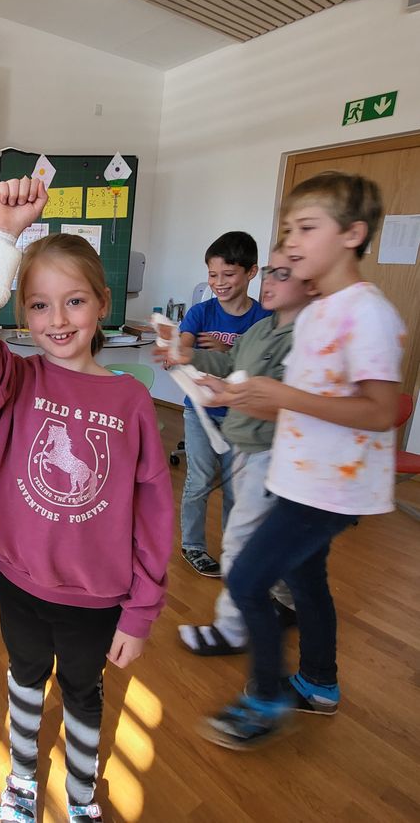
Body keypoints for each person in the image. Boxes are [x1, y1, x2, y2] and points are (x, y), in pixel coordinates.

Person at [0, 177, 173, 823]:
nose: (58, 320)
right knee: (22, 680)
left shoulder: (130, 402)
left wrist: (140, 611)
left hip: (94, 600)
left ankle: (80, 796)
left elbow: (154, 510)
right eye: (39, 307)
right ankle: (20, 780)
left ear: (102, 305)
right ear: (21, 316)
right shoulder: (14, 380)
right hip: (18, 585)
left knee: (82, 691)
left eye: (73, 301)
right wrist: (1, 239)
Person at [199, 171, 405, 750]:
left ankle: (265, 698)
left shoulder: (367, 312)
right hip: (300, 478)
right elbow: (306, 396)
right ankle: (318, 683)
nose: (289, 242)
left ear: (352, 235)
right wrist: (236, 393)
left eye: (306, 228)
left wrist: (280, 397)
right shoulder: (315, 311)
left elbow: (379, 409)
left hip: (331, 491)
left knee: (245, 579)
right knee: (306, 581)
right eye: (287, 229)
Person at [155, 244, 316, 657]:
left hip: (266, 448)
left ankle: (239, 623)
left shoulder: (303, 336)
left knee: (246, 537)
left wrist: (227, 390)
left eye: (284, 274)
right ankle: (278, 601)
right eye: (273, 273)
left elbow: (278, 395)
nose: (271, 283)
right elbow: (228, 366)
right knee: (240, 520)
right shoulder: (262, 330)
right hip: (241, 440)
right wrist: (190, 355)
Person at [177, 231, 270, 577]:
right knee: (199, 481)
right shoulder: (200, 313)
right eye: (212, 275)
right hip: (199, 411)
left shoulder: (263, 320)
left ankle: (235, 550)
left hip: (241, 418)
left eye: (228, 275)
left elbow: (261, 369)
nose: (218, 282)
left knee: (237, 488)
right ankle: (193, 545)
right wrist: (182, 352)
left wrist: (228, 352)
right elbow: (184, 351)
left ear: (251, 273)